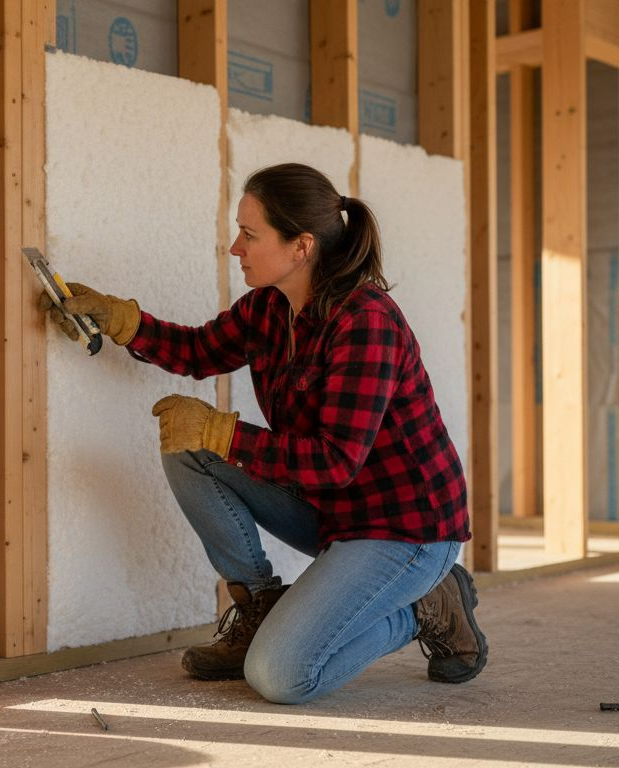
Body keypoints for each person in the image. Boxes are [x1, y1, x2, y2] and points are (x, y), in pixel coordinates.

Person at [40, 163, 487, 705]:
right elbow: (198, 351)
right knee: (190, 449)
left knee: (280, 675)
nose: (236, 247)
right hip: (336, 511)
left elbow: (335, 461)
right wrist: (119, 319)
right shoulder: (270, 309)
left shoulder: (366, 322)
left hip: (406, 528)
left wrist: (221, 430)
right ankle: (257, 607)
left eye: (250, 235)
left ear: (301, 246)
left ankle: (423, 607)